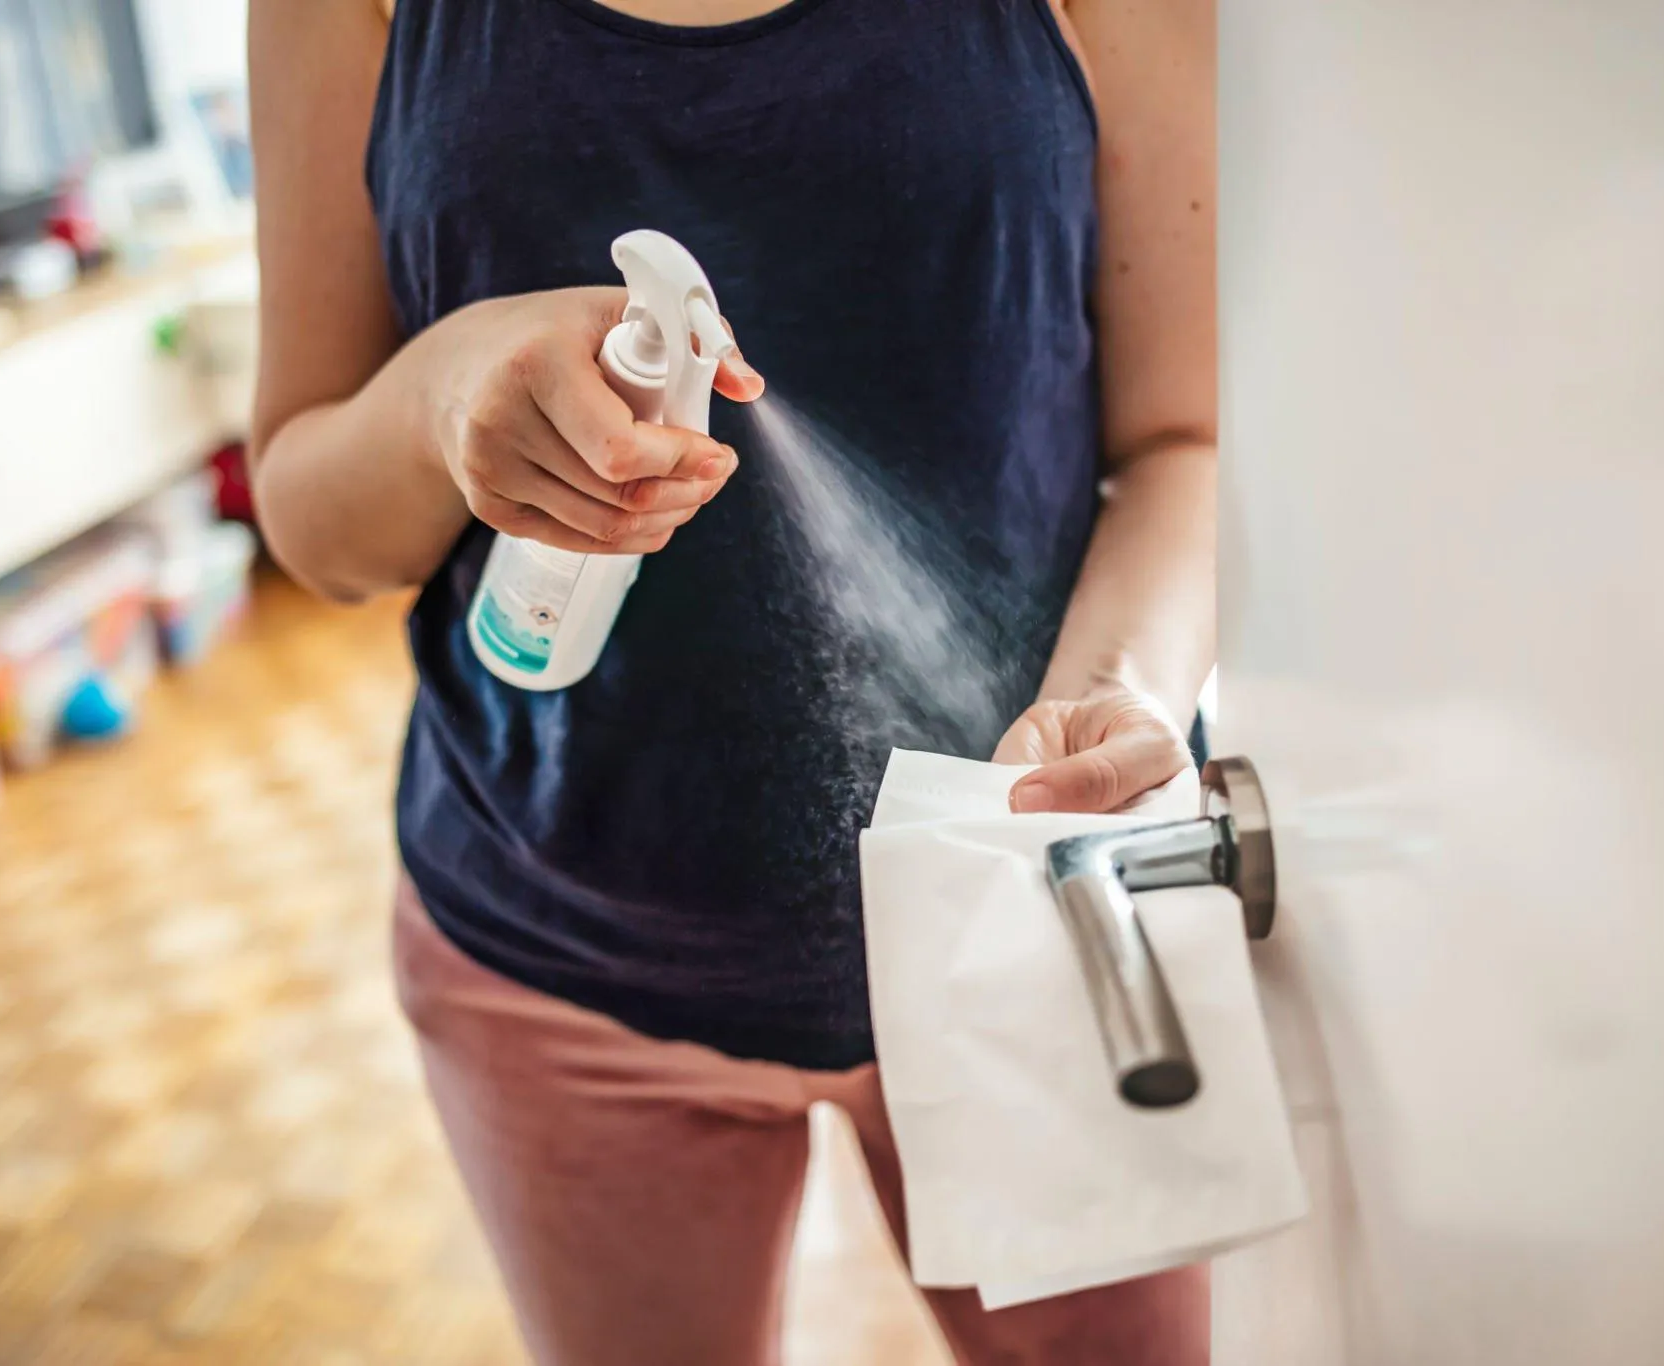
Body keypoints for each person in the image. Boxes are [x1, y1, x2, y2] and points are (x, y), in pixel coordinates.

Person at [248, 0, 1217, 1361]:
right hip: (553, 968)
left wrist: (1120, 692)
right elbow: (311, 525)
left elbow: (1189, 438)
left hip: (1035, 930)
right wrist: (439, 399)